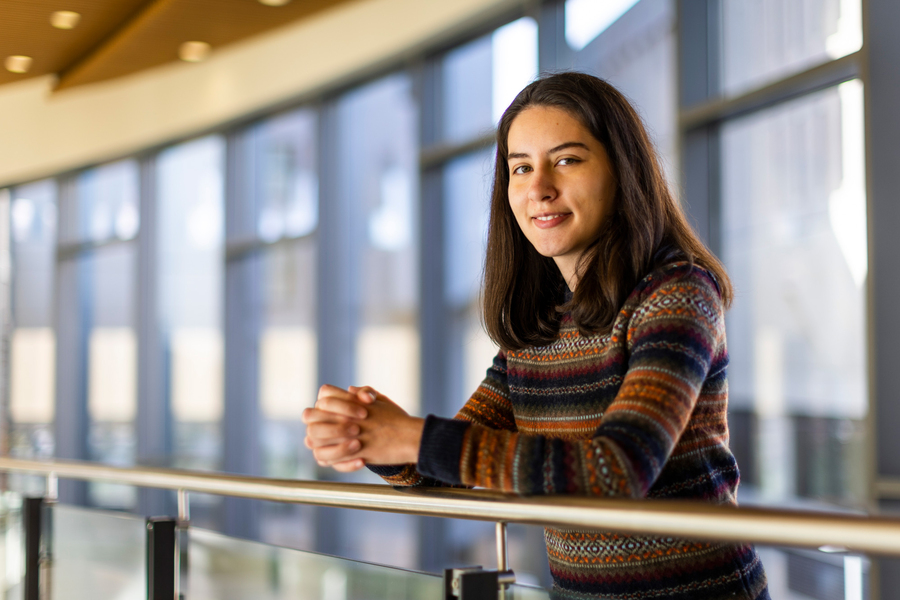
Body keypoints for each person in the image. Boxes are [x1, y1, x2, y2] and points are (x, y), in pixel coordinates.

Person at [302, 72, 769, 600]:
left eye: (567, 159)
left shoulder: (677, 292)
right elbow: (445, 472)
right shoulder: (541, 325)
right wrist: (366, 432)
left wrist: (410, 434)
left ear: (622, 170)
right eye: (520, 167)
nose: (539, 187)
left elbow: (617, 470)